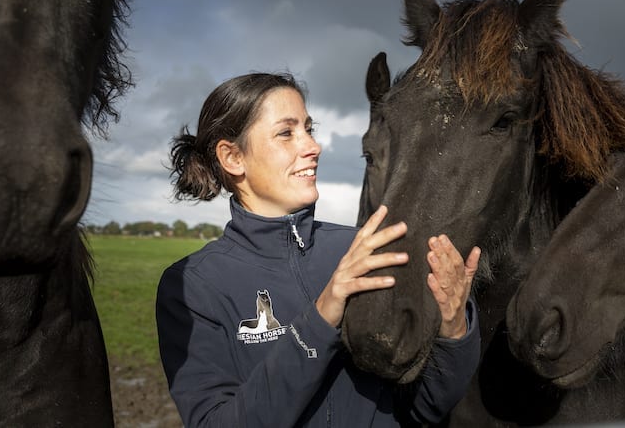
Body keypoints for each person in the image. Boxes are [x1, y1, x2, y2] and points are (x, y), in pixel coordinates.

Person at [156, 72, 481, 427]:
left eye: (309, 129)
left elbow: (422, 409)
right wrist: (323, 315)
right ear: (233, 158)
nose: (313, 146)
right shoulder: (192, 286)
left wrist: (453, 331)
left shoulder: (362, 251)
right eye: (286, 133)